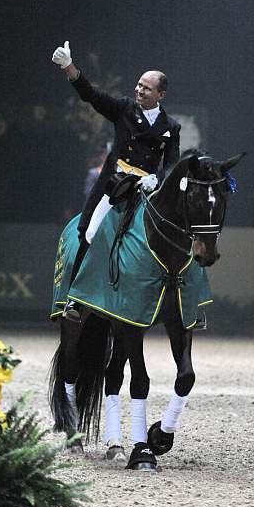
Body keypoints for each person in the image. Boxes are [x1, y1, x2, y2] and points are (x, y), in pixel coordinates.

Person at [52, 40, 181, 320]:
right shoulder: (123, 109)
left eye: (146, 88)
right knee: (89, 232)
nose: (139, 90)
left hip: (146, 190)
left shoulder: (171, 127)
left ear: (161, 95)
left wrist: (156, 179)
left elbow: (172, 164)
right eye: (138, 85)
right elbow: (92, 95)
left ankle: (182, 302)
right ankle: (75, 300)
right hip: (114, 186)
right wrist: (69, 68)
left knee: (179, 232)